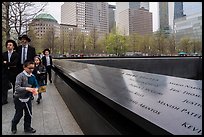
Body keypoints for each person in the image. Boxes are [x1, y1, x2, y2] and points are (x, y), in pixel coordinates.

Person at [11, 60, 38, 134]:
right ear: (24, 67)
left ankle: (27, 127)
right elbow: (17, 88)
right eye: (30, 68)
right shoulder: (20, 76)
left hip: (28, 98)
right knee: (19, 114)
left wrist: (36, 90)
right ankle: (13, 125)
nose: (31, 70)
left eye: (33, 68)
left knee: (29, 114)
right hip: (18, 98)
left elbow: (36, 85)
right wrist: (27, 88)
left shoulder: (32, 76)